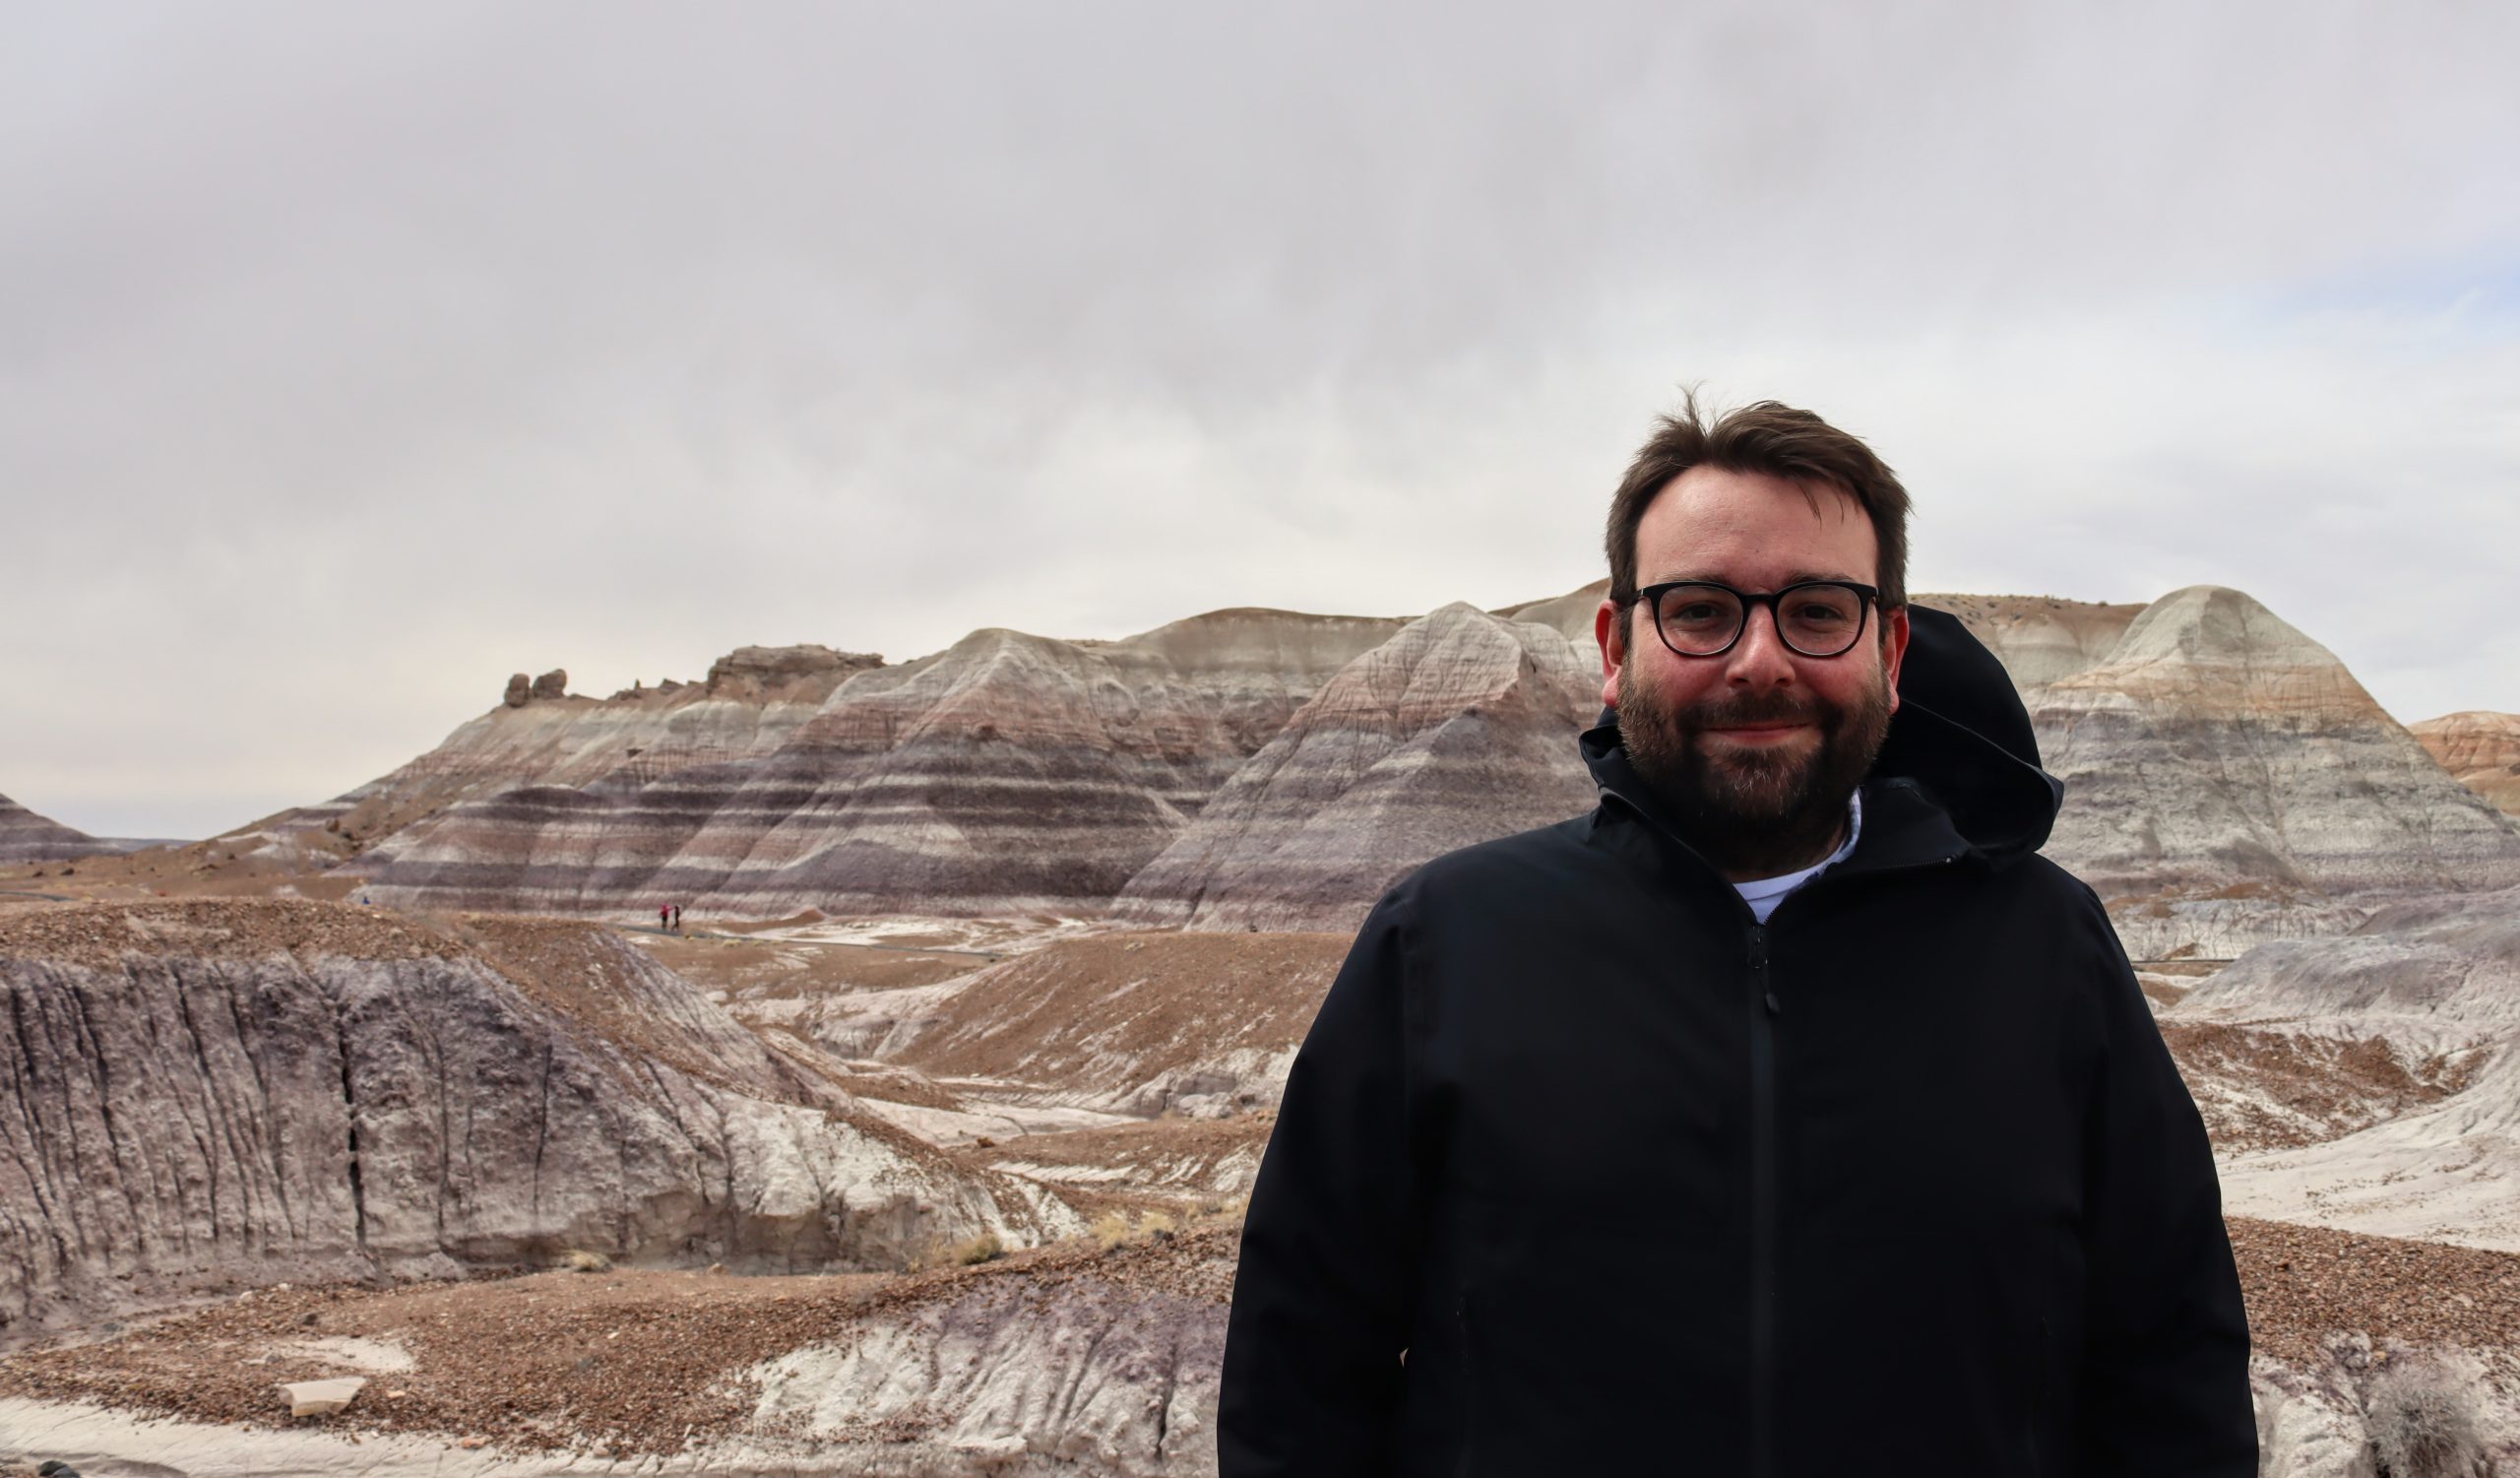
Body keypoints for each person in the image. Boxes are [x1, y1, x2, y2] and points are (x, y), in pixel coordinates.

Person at [1218, 398, 2254, 1476]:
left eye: (1816, 611)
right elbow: (1299, 1378)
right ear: (1616, 650)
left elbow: (2169, 1368)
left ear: (1890, 650)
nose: (1760, 659)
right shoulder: (1442, 943)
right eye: (1701, 610)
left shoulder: (2045, 948)